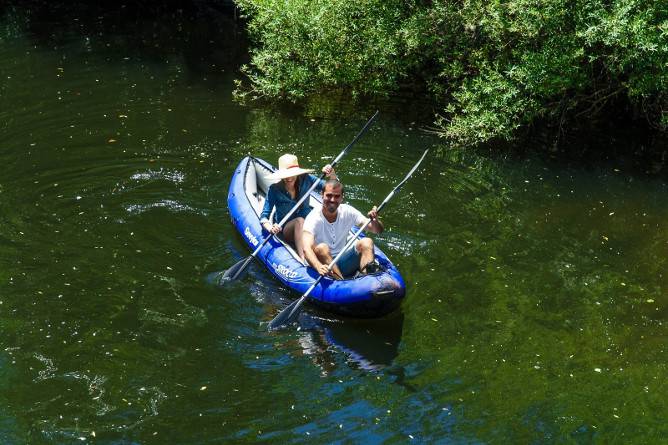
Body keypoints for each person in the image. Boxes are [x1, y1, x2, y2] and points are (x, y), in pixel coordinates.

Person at [302, 179, 383, 279]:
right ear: (322, 194)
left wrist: (374, 220)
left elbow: (377, 230)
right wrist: (318, 266)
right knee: (322, 248)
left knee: (367, 242)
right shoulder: (313, 218)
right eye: (329, 195)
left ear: (342, 198)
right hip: (323, 263)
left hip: (343, 259)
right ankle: (340, 282)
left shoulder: (348, 211)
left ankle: (368, 279)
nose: (332, 200)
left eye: (337, 196)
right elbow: (306, 249)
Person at [260, 154, 336, 259]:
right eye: (285, 175)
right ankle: (303, 257)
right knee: (299, 221)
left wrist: (332, 175)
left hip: (308, 225)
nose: (288, 178)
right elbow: (264, 217)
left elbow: (333, 189)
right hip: (287, 228)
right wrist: (270, 228)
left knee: (322, 216)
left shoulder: (307, 179)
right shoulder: (274, 189)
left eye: (291, 174)